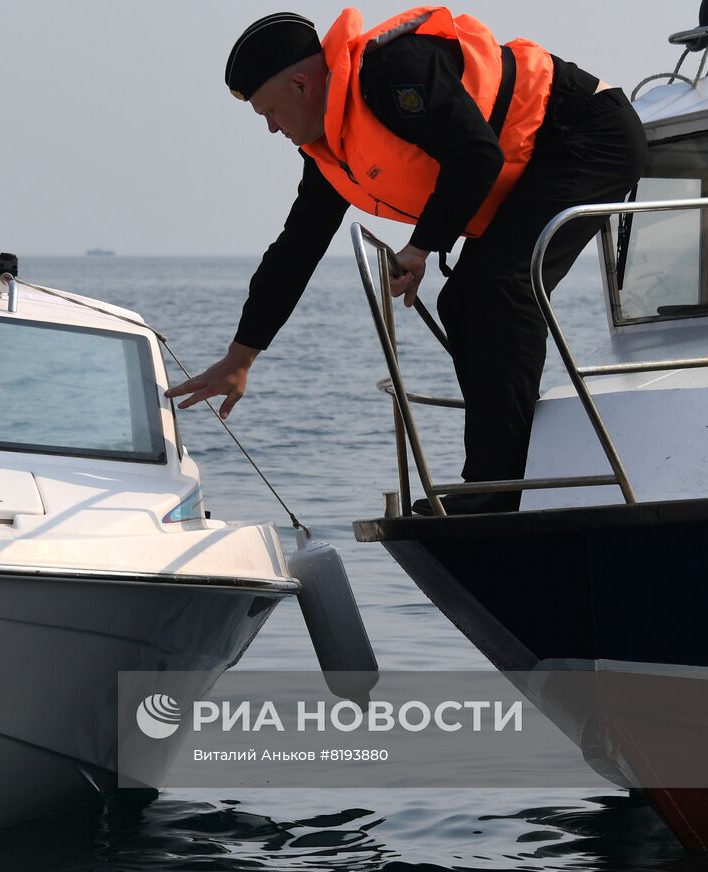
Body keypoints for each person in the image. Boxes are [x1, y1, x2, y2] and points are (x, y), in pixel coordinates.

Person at [166, 8, 648, 513]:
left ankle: (497, 492)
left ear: (302, 86)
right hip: (538, 162)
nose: (270, 128)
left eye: (269, 111)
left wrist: (419, 248)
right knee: (461, 301)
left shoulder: (392, 73)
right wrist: (242, 358)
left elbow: (475, 155)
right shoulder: (330, 150)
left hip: (591, 132)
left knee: (495, 285)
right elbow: (295, 250)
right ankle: (492, 481)